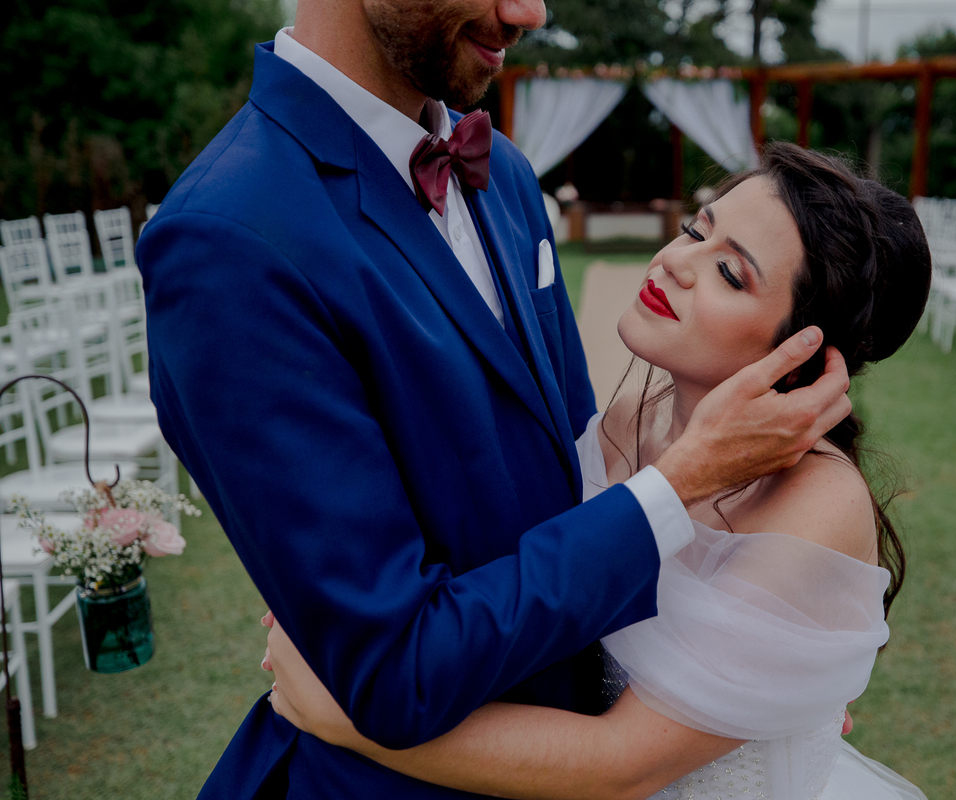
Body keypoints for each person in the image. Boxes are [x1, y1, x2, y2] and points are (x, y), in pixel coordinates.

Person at [135, 1, 852, 797]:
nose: (529, 11)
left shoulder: (501, 172)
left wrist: (770, 658)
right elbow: (393, 671)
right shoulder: (229, 237)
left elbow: (574, 486)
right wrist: (676, 491)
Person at [264, 144, 932, 799]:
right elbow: (543, 564)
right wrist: (356, 601)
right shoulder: (630, 418)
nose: (675, 262)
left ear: (806, 350)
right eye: (697, 231)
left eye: (730, 272)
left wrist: (350, 714)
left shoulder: (817, 504)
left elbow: (623, 766)